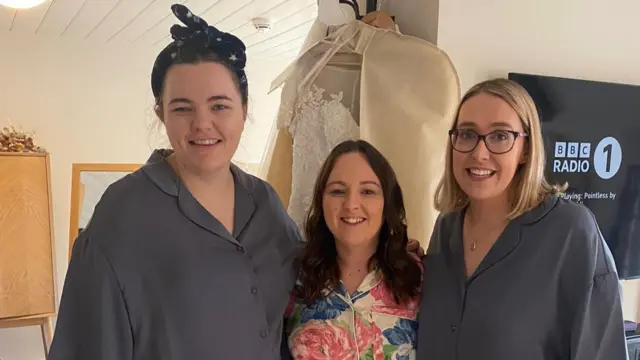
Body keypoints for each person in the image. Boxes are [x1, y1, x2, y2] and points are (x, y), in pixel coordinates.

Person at [48, 4, 302, 360]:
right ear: (160, 113)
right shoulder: (123, 214)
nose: (202, 124)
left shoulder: (265, 204)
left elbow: (317, 282)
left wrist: (390, 255)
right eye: (183, 108)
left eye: (220, 106)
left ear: (245, 109)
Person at [417, 78, 628, 360]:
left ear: (526, 149)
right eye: (467, 134)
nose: (479, 153)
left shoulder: (571, 232)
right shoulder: (446, 228)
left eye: (500, 136)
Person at [285, 140, 423, 359]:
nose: (351, 204)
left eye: (367, 191)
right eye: (338, 191)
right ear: (321, 201)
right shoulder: (293, 277)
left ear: (387, 202)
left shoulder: (419, 279)